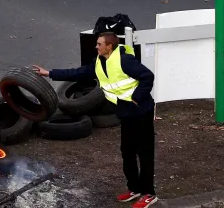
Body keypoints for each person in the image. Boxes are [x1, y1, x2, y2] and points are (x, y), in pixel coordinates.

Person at [33, 32, 157, 208]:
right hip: (125, 112)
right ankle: (134, 189)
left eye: (99, 44)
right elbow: (79, 72)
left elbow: (147, 76)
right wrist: (49, 73)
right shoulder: (99, 62)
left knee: (144, 153)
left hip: (141, 111)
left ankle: (149, 194)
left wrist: (137, 96)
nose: (96, 47)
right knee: (127, 151)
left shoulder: (125, 60)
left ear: (109, 46)